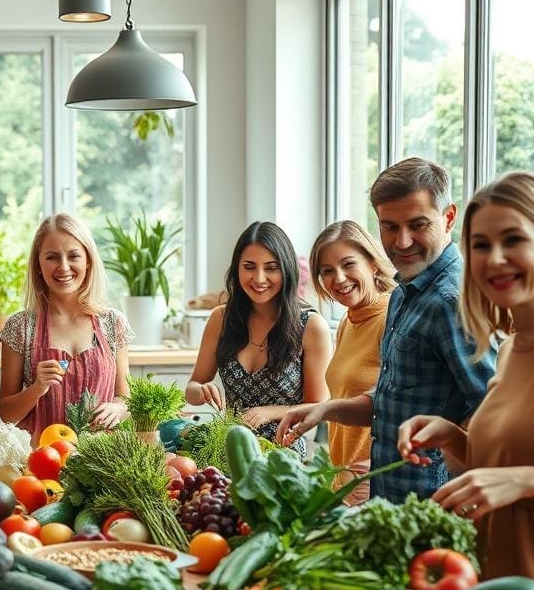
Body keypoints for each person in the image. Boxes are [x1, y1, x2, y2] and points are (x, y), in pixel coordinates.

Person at [397, 171, 534, 590]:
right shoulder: (512, 348)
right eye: (481, 245)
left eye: (514, 240)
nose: (496, 259)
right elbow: (501, 473)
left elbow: (519, 480)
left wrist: (528, 480)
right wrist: (452, 437)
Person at [277, 158, 496, 501]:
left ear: (449, 217)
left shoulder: (451, 301)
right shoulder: (405, 294)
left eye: (418, 224)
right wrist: (326, 409)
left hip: (433, 506)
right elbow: (392, 400)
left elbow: (491, 410)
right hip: (390, 502)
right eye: (389, 226)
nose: (403, 241)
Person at [185, 221, 332, 455]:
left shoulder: (311, 326)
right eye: (249, 267)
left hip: (284, 456)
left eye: (271, 267)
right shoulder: (220, 318)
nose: (259, 278)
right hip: (227, 451)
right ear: (237, 269)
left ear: (286, 270)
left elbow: (319, 406)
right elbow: (191, 390)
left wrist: (270, 412)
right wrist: (201, 390)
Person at [0, 214, 133, 438]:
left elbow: (125, 397)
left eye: (74, 256)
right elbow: (6, 414)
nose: (64, 267)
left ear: (88, 261)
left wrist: (118, 408)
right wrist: (37, 388)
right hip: (40, 460)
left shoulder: (112, 323)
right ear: (38, 264)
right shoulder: (21, 327)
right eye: (52, 257)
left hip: (99, 459)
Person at [310, 220, 396, 502]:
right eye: (327, 271)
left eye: (349, 265)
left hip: (374, 480)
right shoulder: (349, 321)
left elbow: (407, 405)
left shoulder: (392, 318)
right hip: (346, 479)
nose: (339, 278)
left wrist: (380, 470)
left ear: (372, 263)